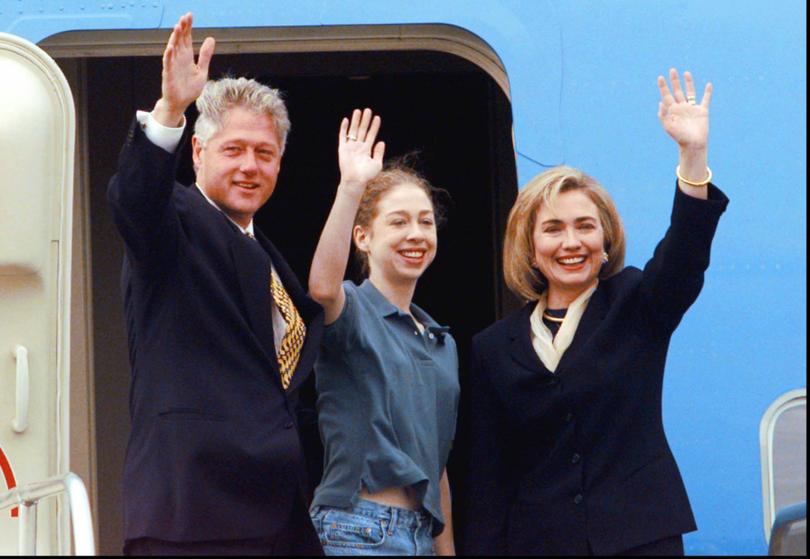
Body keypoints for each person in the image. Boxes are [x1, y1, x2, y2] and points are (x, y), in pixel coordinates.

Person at [460, 69, 729, 556]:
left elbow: (685, 257)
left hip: (639, 538)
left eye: (585, 226)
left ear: (605, 241)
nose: (571, 243)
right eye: (553, 229)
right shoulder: (493, 347)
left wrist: (692, 158)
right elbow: (487, 479)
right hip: (539, 544)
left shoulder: (636, 303)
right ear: (530, 245)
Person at [107, 12, 324, 555]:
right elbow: (134, 200)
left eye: (264, 153)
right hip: (193, 516)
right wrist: (171, 111)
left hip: (274, 517)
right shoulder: (172, 222)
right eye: (234, 150)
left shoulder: (268, 256)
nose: (250, 166)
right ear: (198, 154)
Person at [306, 109, 459, 555]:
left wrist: (445, 550)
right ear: (363, 237)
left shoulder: (440, 339)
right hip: (355, 530)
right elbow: (321, 287)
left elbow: (437, 462)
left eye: (425, 221)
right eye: (398, 221)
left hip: (419, 535)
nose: (416, 234)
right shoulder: (352, 308)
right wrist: (351, 186)